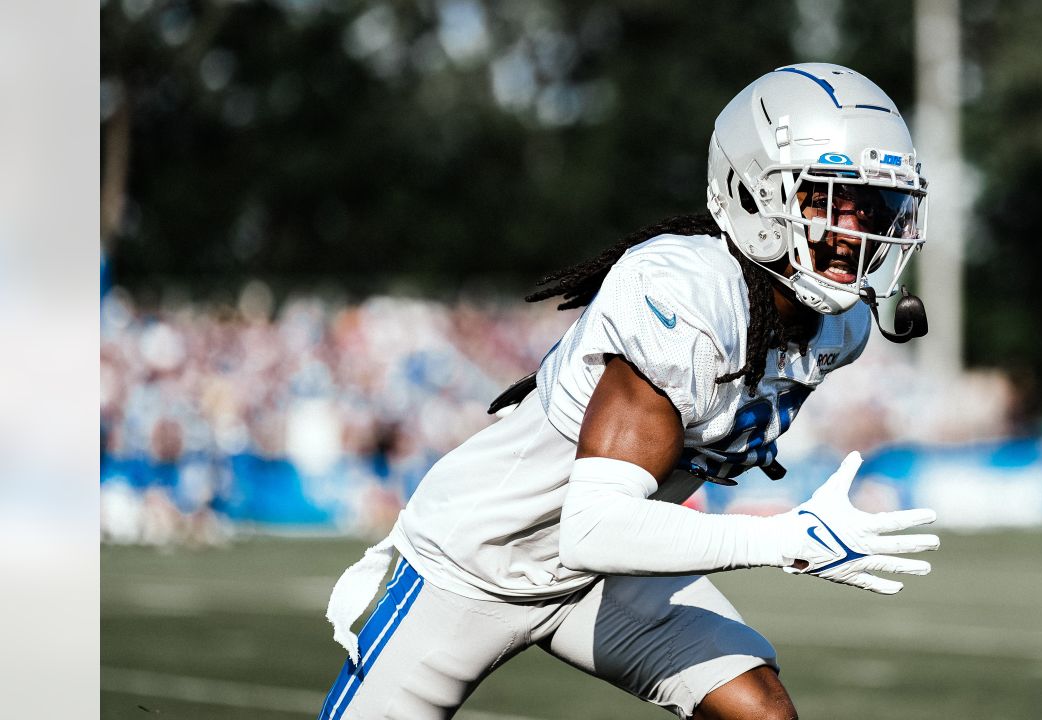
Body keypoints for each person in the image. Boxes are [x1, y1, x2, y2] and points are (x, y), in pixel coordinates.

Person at [319, 63, 941, 720]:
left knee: (762, 714)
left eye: (871, 206)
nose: (855, 231)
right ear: (754, 194)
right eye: (828, 201)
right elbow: (594, 526)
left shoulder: (840, 328)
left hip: (609, 576)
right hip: (482, 560)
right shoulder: (683, 294)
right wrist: (783, 538)